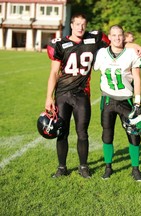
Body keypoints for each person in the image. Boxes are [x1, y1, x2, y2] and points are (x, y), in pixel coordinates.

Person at [45, 13, 110, 178]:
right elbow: (54, 72)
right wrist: (48, 97)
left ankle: (83, 166)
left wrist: (134, 46)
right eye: (77, 24)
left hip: (82, 94)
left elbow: (117, 43)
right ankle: (61, 167)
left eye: (83, 24)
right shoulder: (60, 44)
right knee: (62, 132)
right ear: (71, 25)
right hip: (62, 94)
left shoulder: (94, 39)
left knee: (82, 132)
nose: (80, 27)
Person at [93, 25, 141, 181]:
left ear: (124, 37)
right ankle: (108, 167)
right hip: (108, 99)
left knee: (134, 136)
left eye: (120, 35)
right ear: (109, 36)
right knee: (107, 135)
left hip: (126, 100)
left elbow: (137, 77)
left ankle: (135, 169)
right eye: (113, 35)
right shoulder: (102, 53)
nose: (117, 38)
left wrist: (137, 101)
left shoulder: (130, 54)